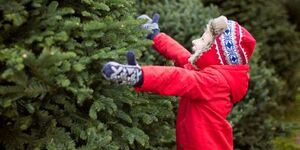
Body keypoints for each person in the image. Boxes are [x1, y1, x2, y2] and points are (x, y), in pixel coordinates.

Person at [102, 13, 256, 150]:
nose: (195, 42)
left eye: (203, 40)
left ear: (215, 54)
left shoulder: (214, 81)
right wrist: (156, 36)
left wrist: (140, 76)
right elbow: (182, 56)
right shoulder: (208, 74)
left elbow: (177, 77)